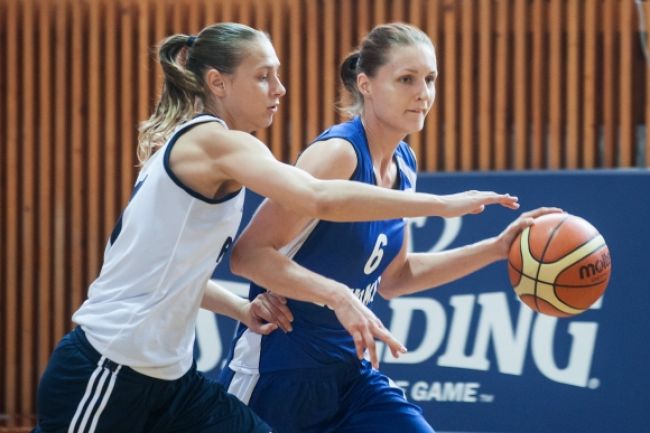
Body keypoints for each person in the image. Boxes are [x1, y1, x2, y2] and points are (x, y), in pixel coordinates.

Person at [33, 22, 521, 433]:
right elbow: (316, 196)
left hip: (171, 377)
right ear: (218, 83)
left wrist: (241, 307)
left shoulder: (222, 152)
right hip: (109, 365)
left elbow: (174, 270)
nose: (279, 90)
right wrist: (440, 205)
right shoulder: (216, 143)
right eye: (264, 77)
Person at [219, 23, 562, 433]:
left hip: (351, 375)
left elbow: (396, 277)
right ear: (365, 84)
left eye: (430, 79)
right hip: (280, 373)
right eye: (406, 79)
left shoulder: (404, 164)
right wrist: (336, 295)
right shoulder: (337, 155)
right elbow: (247, 255)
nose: (423, 93)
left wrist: (496, 248)